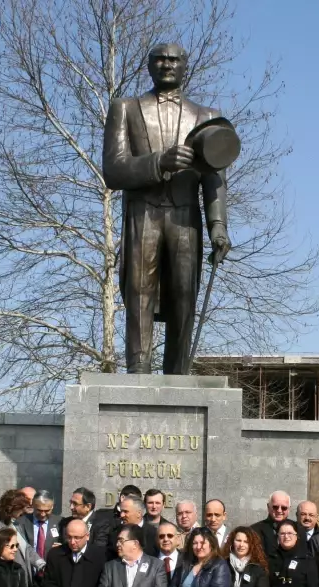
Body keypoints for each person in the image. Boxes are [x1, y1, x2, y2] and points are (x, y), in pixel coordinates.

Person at [103, 42, 231, 374]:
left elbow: (214, 178)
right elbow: (113, 169)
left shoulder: (207, 117)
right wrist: (159, 161)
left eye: (174, 59)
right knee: (139, 295)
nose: (167, 64)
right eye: (160, 59)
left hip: (186, 216)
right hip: (143, 212)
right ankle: (138, 373)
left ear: (186, 66)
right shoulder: (126, 108)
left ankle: (177, 375)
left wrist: (218, 226)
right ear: (148, 64)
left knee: (184, 297)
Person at [252, 491, 294, 557]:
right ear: (268, 507)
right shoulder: (254, 530)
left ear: (289, 509)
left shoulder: (298, 529)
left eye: (284, 508)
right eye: (275, 507)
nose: (279, 510)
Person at [22, 490, 61, 559]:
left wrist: (62, 548)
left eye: (47, 511)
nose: (43, 514)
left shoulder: (60, 522)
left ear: (52, 507)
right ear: (33, 505)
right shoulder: (21, 522)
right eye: (39, 510)